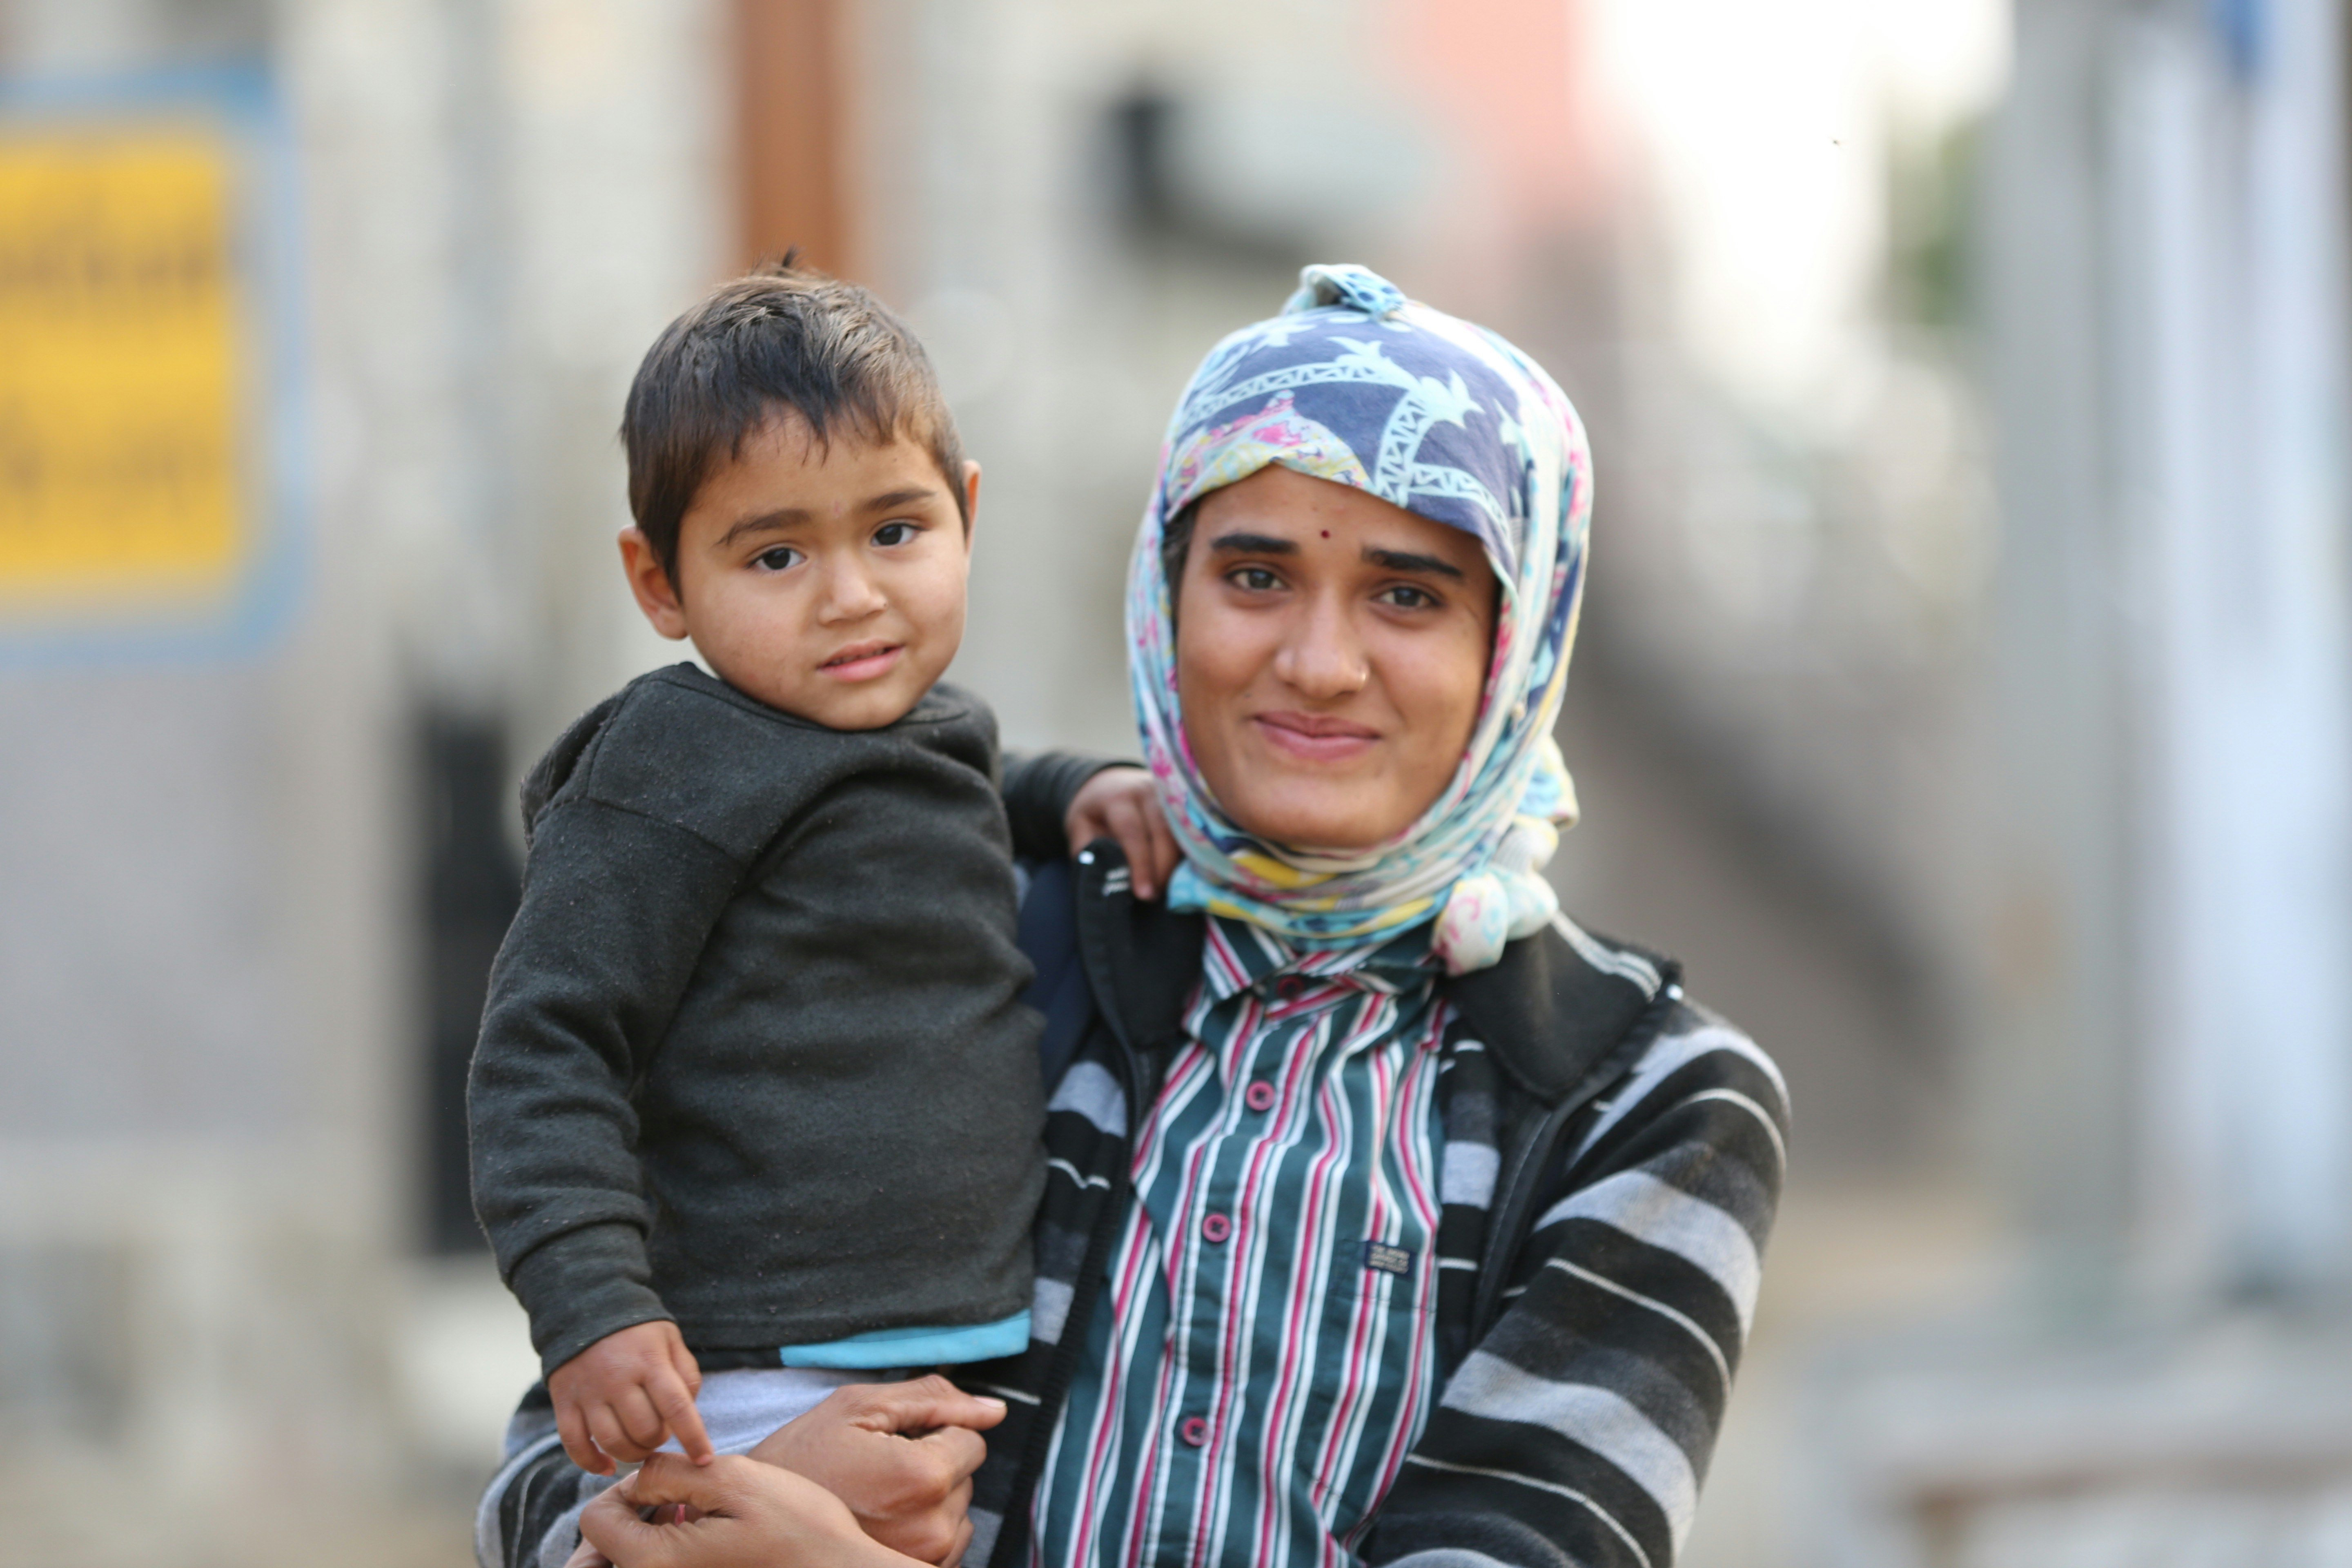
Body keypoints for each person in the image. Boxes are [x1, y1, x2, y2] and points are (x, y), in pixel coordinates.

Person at [497, 263, 1788, 1568]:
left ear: (1516, 640)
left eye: (1409, 595)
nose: (1320, 664)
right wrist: (731, 1501)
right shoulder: (968, 943)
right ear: (1168, 598)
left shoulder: (1645, 1102)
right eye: (1256, 576)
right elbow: (562, 1452)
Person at [467, 259, 1049, 1520]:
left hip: (939, 1352)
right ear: (660, 582)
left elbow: (985, 782)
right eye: (776, 554)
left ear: (967, 512)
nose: (853, 597)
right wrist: (594, 1307)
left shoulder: (928, 726)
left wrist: (1091, 796)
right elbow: (544, 1048)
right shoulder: (674, 766)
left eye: (897, 531)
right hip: (738, 1369)